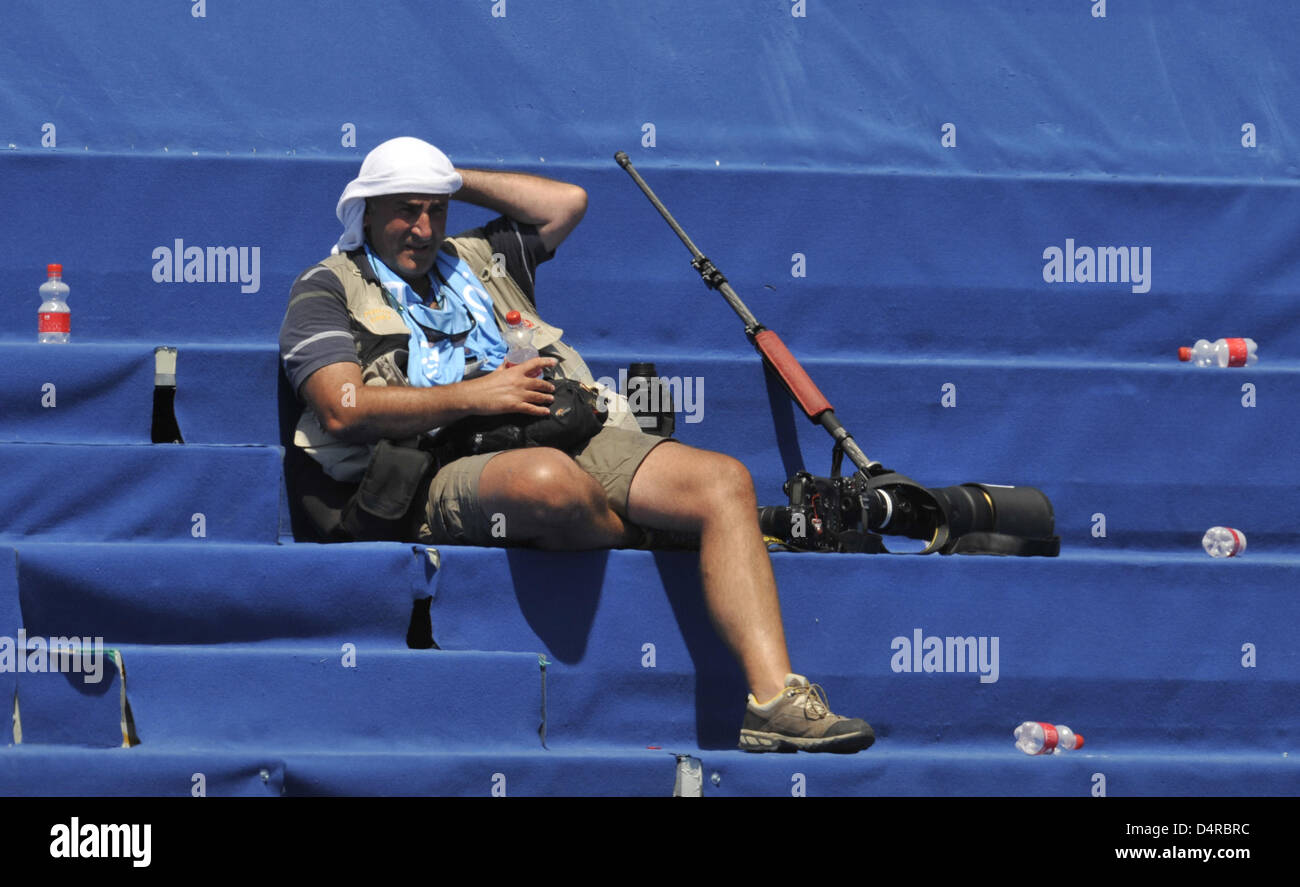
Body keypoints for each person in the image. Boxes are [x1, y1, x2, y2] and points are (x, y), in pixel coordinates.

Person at [279, 137, 874, 753]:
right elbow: (341, 410)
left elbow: (566, 202)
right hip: (433, 464)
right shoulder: (327, 288)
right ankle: (645, 530)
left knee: (722, 481)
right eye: (406, 208)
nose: (424, 228)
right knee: (547, 483)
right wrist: (478, 396)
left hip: (555, 426)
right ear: (368, 210)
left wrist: (447, 175)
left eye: (437, 208)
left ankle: (774, 704)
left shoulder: (479, 258)